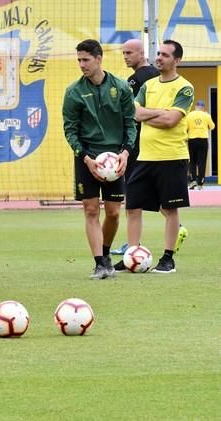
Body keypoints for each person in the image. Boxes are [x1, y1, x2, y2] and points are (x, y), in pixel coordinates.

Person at [62, 39, 136, 279]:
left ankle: (105, 255)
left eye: (86, 60)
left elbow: (130, 123)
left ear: (99, 58)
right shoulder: (73, 92)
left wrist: (125, 153)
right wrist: (85, 158)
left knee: (114, 212)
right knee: (91, 209)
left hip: (115, 160)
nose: (81, 65)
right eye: (79, 60)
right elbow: (70, 130)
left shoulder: (121, 87)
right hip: (87, 158)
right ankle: (99, 264)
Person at [113, 38, 188, 259]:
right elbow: (135, 113)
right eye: (123, 53)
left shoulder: (176, 84)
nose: (125, 56)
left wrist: (148, 115)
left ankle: (168, 255)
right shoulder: (147, 84)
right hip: (145, 152)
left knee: (165, 204)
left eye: (129, 53)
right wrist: (158, 112)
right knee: (133, 203)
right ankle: (132, 254)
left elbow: (170, 120)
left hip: (166, 154)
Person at [187, 99, 215, 190]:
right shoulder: (206, 115)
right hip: (203, 140)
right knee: (201, 162)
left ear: (195, 107)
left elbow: (185, 127)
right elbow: (212, 127)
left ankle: (192, 181)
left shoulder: (189, 115)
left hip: (192, 140)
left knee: (192, 162)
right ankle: (200, 184)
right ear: (203, 107)